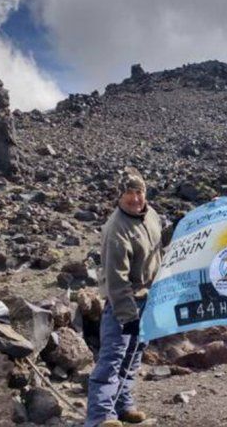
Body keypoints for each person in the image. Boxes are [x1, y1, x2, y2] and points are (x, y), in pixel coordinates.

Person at [85, 167, 162, 427]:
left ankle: (123, 404)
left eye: (139, 192)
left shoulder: (151, 215)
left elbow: (158, 247)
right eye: (129, 193)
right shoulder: (116, 229)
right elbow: (116, 279)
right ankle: (100, 416)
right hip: (124, 304)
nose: (135, 198)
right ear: (119, 196)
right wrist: (128, 315)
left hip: (147, 299)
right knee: (113, 357)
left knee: (134, 354)